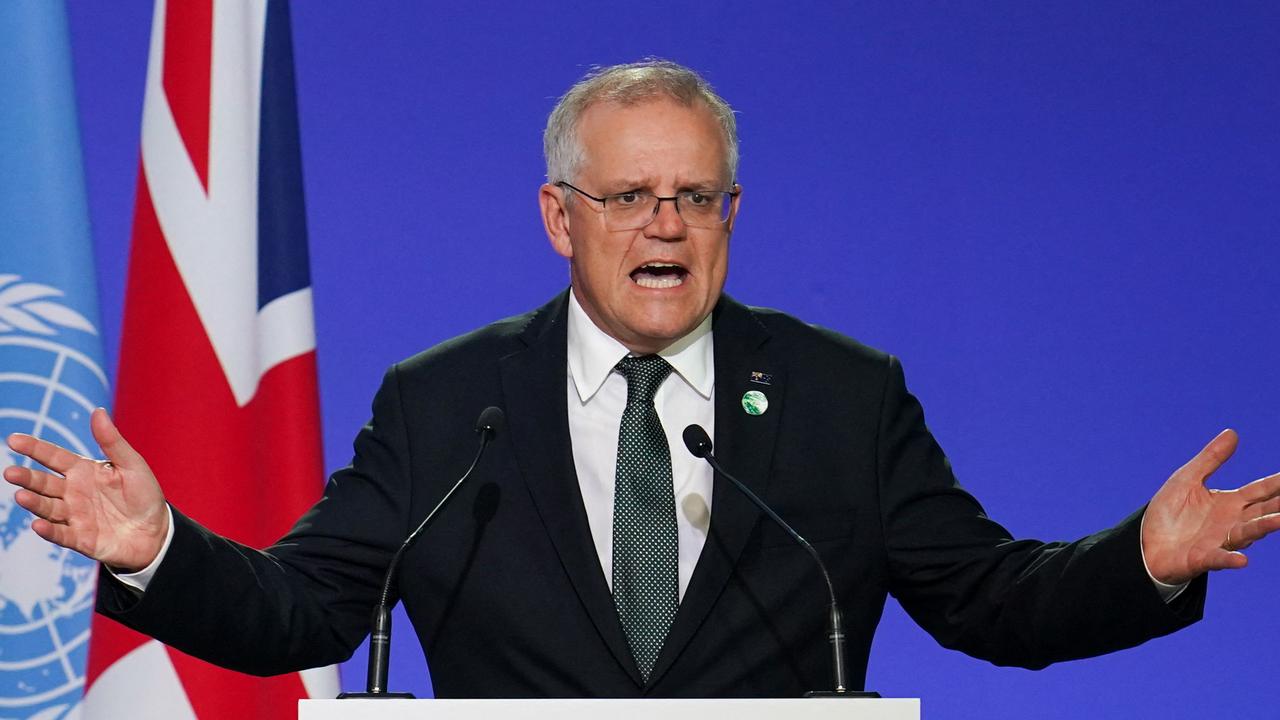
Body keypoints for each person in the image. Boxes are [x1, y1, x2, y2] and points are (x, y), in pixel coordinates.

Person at [6, 60, 1279, 698]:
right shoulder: (450, 404)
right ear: (560, 218)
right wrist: (161, 550)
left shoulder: (842, 398)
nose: (664, 225)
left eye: (696, 196)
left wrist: (1143, 563)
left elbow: (989, 601)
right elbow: (309, 610)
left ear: (731, 214)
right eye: (629, 196)